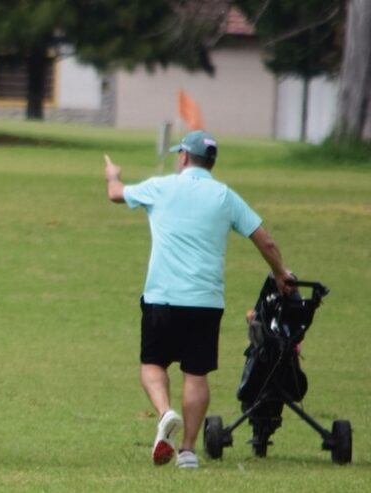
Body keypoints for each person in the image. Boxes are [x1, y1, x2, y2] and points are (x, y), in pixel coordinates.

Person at [103, 130, 292, 469]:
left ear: (185, 157)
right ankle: (188, 450)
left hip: (161, 297)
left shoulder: (161, 187)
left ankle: (165, 412)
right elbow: (265, 241)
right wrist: (280, 273)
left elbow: (116, 194)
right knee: (196, 373)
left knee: (152, 365)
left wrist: (113, 175)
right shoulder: (224, 196)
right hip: (205, 302)